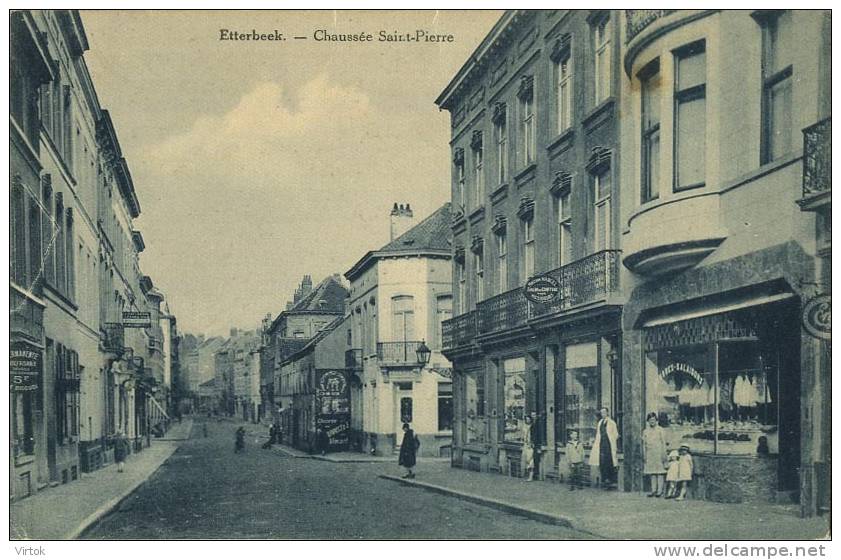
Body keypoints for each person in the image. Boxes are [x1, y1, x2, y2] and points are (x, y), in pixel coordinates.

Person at [589, 406, 619, 490]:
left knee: (609, 464)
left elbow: (616, 434)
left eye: (604, 412)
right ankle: (605, 482)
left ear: (608, 413)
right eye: (601, 413)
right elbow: (598, 434)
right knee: (602, 464)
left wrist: (612, 441)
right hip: (601, 446)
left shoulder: (612, 423)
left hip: (609, 446)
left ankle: (610, 483)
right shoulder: (600, 423)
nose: (603, 414)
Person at [642, 412, 668, 497]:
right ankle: (653, 490)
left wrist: (664, 454)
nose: (652, 422)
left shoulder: (660, 430)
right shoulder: (645, 431)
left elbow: (663, 443)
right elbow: (644, 444)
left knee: (660, 472)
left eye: (653, 420)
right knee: (652, 472)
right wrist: (644, 454)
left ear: (656, 420)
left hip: (659, 452)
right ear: (648, 421)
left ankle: (660, 491)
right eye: (650, 420)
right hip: (650, 453)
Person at [521, 414, 537, 481]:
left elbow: (534, 436)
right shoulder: (524, 426)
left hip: (530, 445)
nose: (527, 420)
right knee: (526, 460)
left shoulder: (533, 426)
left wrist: (532, 443)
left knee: (530, 460)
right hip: (525, 444)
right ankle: (527, 475)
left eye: (528, 419)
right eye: (526, 419)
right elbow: (523, 435)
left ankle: (531, 476)